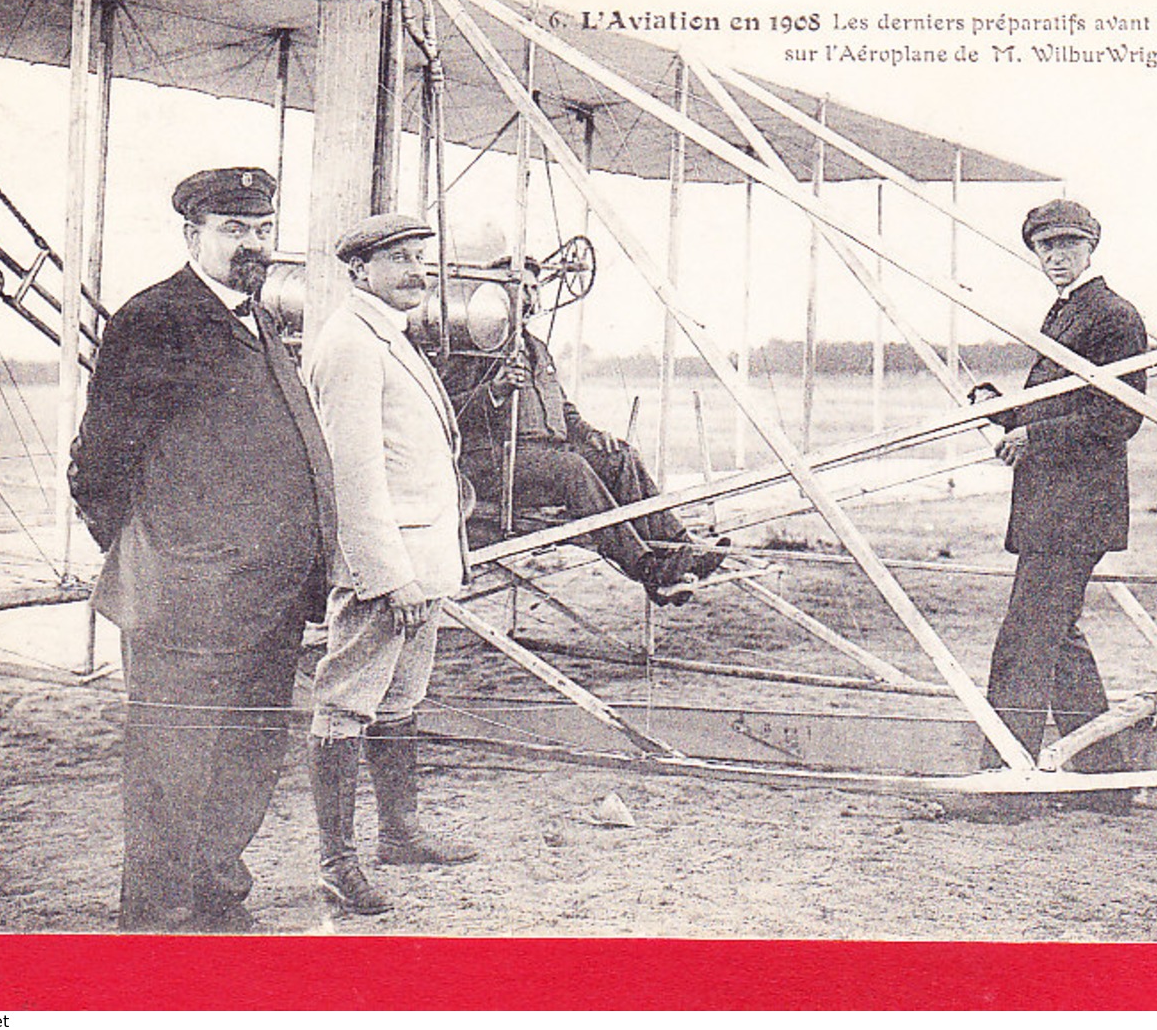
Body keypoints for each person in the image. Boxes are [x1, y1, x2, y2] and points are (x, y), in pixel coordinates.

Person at [69, 167, 335, 931]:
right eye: (233, 229)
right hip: (191, 594)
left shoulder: (257, 319)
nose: (252, 244)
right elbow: (100, 459)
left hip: (267, 593)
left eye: (261, 228)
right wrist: (163, 549)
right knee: (171, 759)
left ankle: (218, 890)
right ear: (192, 235)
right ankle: (154, 916)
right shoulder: (156, 318)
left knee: (248, 751)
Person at [302, 213, 478, 915]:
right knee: (346, 705)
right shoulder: (349, 343)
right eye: (398, 259)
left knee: (399, 702)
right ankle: (336, 863)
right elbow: (350, 474)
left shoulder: (388, 335)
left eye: (421, 260)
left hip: (420, 559)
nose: (415, 271)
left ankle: (398, 833)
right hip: (387, 568)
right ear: (358, 271)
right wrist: (387, 573)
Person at [972, 199, 1148, 813]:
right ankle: (1103, 784)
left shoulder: (1112, 315)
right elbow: (1055, 406)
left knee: (1026, 638)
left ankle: (1006, 782)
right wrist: (999, 408)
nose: (1057, 256)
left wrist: (1035, 434)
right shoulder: (1067, 311)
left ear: (1091, 247)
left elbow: (1120, 414)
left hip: (1076, 509)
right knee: (1059, 640)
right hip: (1054, 506)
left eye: (1069, 245)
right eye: (1046, 247)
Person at [441, 259, 723, 606]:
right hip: (494, 465)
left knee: (620, 456)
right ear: (497, 296)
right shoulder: (472, 346)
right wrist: (495, 391)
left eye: (534, 289)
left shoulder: (537, 348)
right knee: (573, 468)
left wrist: (590, 434)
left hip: (546, 459)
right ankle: (646, 566)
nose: (530, 298)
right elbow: (446, 411)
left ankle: (681, 548)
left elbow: (562, 408)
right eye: (521, 290)